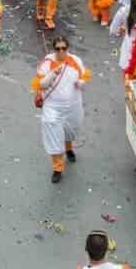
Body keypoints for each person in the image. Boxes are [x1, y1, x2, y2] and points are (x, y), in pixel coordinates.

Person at [31, 36, 90, 183]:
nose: (61, 51)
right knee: (53, 134)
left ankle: (68, 149)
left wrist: (81, 83)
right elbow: (41, 85)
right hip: (53, 108)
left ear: (68, 48)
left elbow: (84, 75)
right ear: (54, 49)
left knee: (71, 130)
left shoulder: (75, 60)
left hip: (73, 105)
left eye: (64, 48)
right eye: (58, 48)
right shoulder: (47, 63)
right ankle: (57, 168)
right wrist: (53, 74)